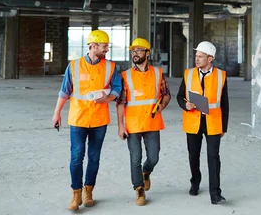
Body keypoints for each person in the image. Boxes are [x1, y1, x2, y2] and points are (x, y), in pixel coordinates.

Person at [51, 29, 122, 211]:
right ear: (93, 46)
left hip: (99, 120)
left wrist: (107, 98)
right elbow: (65, 91)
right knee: (76, 157)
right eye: (104, 46)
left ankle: (88, 191)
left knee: (94, 158)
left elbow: (117, 89)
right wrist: (56, 112)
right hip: (78, 119)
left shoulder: (111, 67)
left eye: (107, 46)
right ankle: (76, 194)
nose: (106, 49)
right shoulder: (74, 66)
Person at [116, 38, 171, 206]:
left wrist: (162, 105)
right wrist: (120, 125)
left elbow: (166, 94)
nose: (135, 53)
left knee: (153, 157)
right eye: (133, 50)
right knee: (135, 158)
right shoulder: (125, 76)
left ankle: (146, 171)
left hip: (152, 122)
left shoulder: (157, 73)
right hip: (132, 124)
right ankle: (139, 190)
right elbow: (120, 103)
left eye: (139, 50)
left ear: (148, 53)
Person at [177, 41, 229, 205]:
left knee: (213, 157)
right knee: (193, 155)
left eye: (200, 56)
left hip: (213, 122)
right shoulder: (188, 74)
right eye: (196, 56)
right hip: (193, 121)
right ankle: (195, 181)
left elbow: (225, 103)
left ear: (210, 58)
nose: (196, 59)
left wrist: (224, 127)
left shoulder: (221, 76)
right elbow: (180, 96)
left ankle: (215, 193)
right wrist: (185, 105)